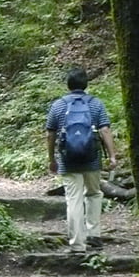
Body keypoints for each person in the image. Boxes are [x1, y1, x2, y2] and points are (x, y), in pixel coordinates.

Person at [45, 68, 117, 253]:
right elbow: (105, 131)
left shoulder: (59, 105)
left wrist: (52, 158)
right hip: (92, 159)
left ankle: (77, 243)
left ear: (68, 85)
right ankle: (94, 234)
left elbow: (50, 134)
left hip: (67, 161)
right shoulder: (96, 104)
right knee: (93, 194)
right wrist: (112, 156)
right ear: (86, 84)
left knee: (73, 199)